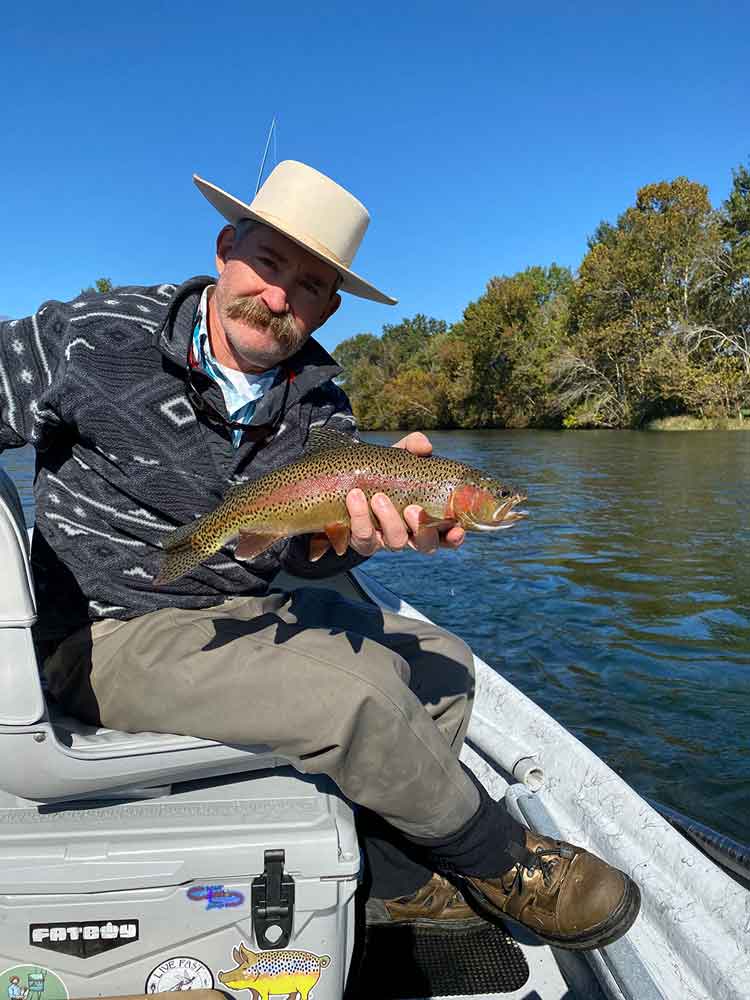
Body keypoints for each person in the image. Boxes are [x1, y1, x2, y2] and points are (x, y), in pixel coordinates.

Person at [0, 160, 639, 949]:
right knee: (358, 689)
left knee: (444, 663)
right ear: (227, 244)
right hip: (103, 633)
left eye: (308, 287)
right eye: (269, 264)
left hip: (243, 612)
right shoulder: (92, 336)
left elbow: (305, 554)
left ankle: (393, 878)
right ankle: (502, 860)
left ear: (330, 304)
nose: (278, 299)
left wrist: (360, 538)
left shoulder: (321, 402)